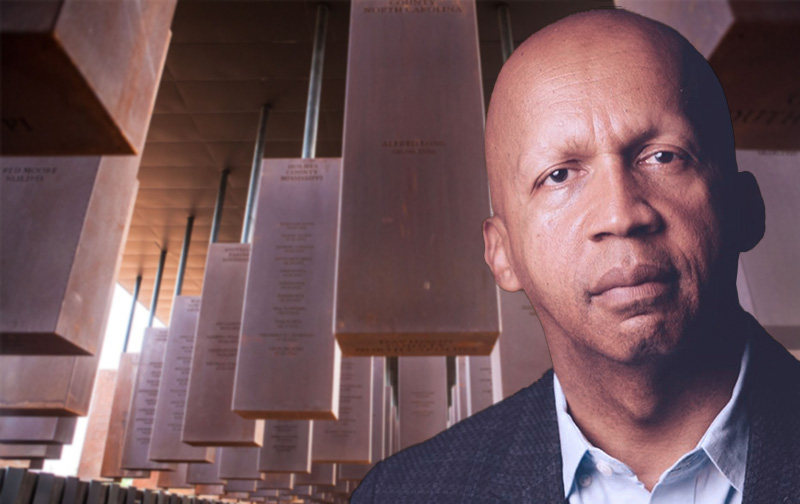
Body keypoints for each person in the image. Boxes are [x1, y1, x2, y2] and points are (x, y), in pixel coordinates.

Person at [350, 9, 800, 504]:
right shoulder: (400, 495)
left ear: (745, 208)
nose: (620, 215)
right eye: (559, 176)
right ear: (502, 254)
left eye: (664, 156)